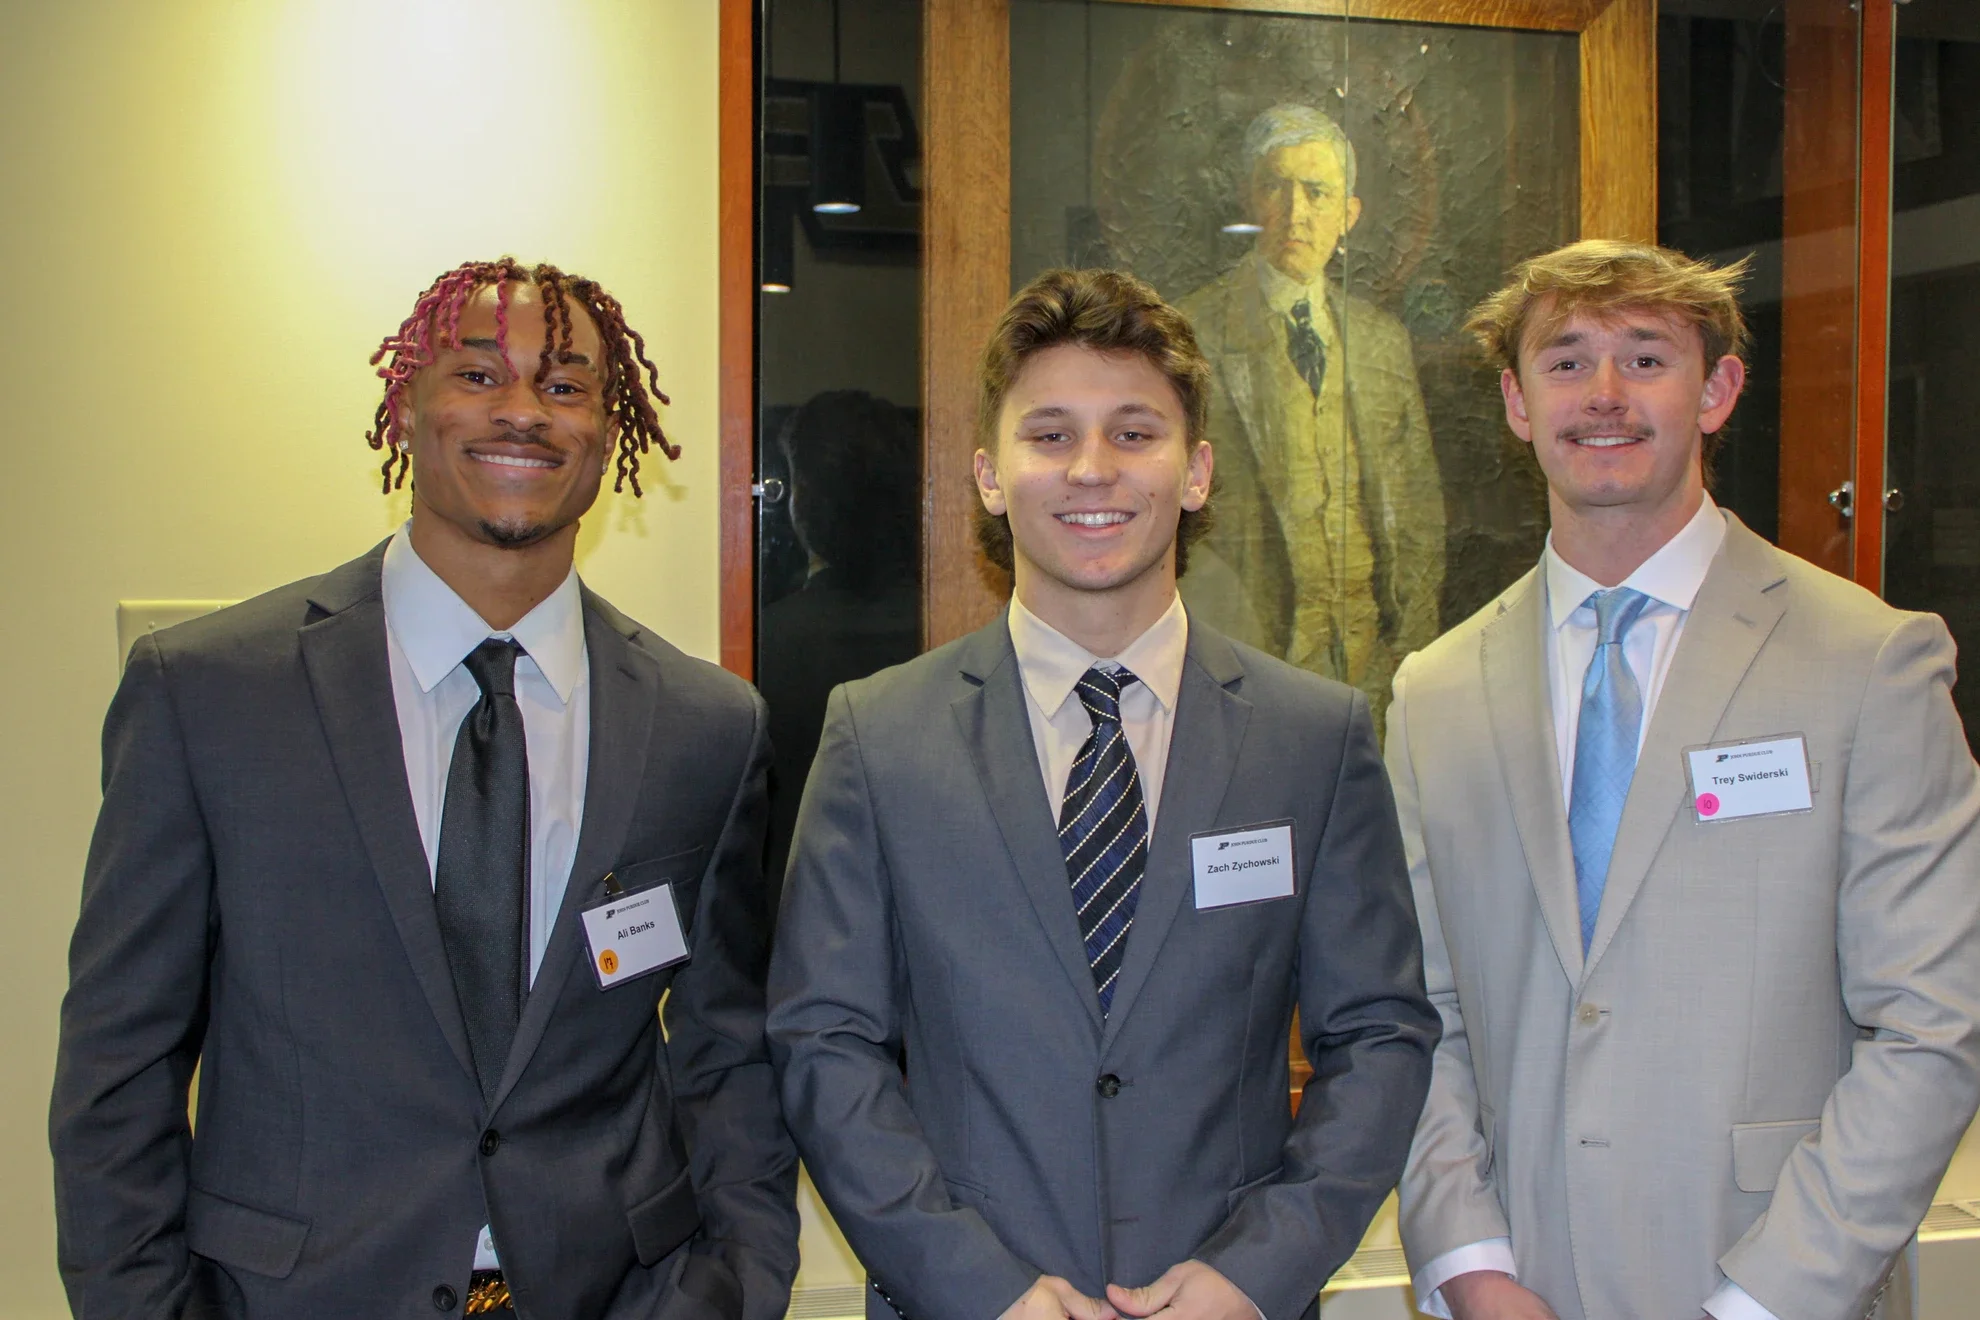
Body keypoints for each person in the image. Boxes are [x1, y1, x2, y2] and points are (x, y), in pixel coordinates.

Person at [50, 259, 800, 1319]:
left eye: (568, 384)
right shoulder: (211, 696)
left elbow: (729, 1053)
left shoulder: (707, 730)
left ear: (610, 428)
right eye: (479, 374)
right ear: (407, 406)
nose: (524, 413)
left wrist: (737, 1283)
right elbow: (118, 1065)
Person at [768, 267, 1438, 1320]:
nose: (1092, 470)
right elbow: (823, 1042)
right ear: (990, 474)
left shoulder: (1314, 738)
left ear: (1198, 470)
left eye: (1134, 433)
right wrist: (977, 1287)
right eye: (1049, 436)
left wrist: (1257, 1274)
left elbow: (1381, 1037)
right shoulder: (879, 735)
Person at [1390, 239, 1980, 1320]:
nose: (1603, 395)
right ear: (1517, 403)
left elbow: (1933, 1026)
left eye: (1645, 358)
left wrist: (1760, 1302)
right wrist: (1469, 1263)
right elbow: (1414, 1014)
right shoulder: (1436, 692)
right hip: (1521, 1290)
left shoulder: (1870, 663)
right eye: (1565, 362)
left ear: (1717, 391)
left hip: (1777, 1284)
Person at [1176, 104, 1444, 716]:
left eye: (1318, 193)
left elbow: (1419, 509)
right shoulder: (1192, 330)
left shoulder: (1380, 340)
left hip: (1370, 662)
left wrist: (1411, 653)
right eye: (1277, 186)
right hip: (1248, 659)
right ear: (1250, 200)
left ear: (1348, 215)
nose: (1297, 213)